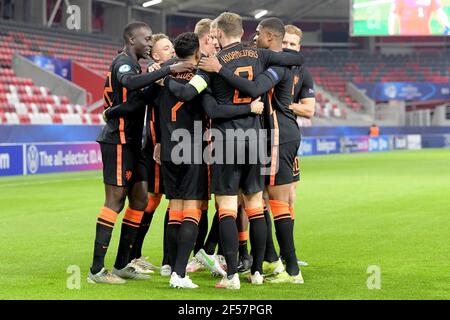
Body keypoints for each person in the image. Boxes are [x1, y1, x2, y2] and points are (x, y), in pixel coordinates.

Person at [166, 12, 305, 288]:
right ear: (242, 31)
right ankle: (256, 272)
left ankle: (231, 276)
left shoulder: (209, 65)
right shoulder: (260, 55)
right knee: (256, 206)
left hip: (226, 140)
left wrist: (168, 74)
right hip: (256, 139)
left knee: (227, 208)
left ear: (217, 33)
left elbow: (189, 96)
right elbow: (296, 60)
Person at [88, 21, 194, 284]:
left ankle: (123, 263)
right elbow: (128, 83)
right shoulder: (124, 62)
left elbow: (138, 99)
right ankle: (96, 270)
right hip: (119, 140)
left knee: (139, 200)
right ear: (131, 40)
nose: (149, 43)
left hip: (136, 143)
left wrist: (159, 82)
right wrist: (167, 69)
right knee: (114, 201)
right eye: (146, 39)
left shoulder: (136, 65)